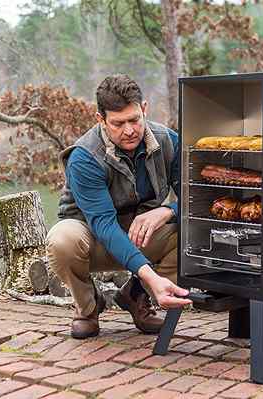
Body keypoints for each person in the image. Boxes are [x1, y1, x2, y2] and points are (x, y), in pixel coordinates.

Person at [47, 74, 192, 339]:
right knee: (61, 240)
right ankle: (88, 306)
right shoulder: (84, 157)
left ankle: (136, 296)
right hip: (93, 237)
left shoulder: (169, 141)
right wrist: (152, 276)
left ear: (144, 109)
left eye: (135, 120)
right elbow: (104, 225)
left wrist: (169, 210)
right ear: (100, 119)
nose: (129, 130)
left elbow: (198, 199)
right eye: (118, 123)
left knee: (190, 231)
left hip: (139, 234)